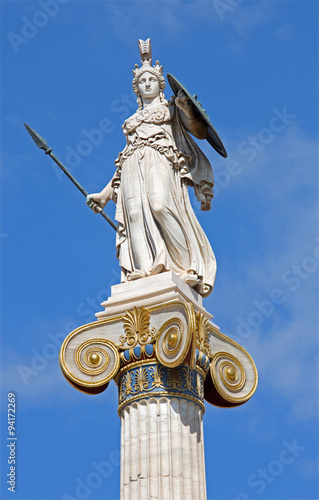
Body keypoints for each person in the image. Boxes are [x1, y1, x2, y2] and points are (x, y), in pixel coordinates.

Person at [87, 39, 216, 297]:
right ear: (136, 89)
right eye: (142, 81)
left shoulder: (171, 108)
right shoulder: (131, 122)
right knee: (134, 214)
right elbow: (123, 160)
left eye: (151, 80)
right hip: (133, 166)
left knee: (160, 205)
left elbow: (199, 131)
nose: (147, 84)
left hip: (160, 160)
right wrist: (104, 194)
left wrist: (187, 110)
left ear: (159, 85)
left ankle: (184, 267)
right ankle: (144, 270)